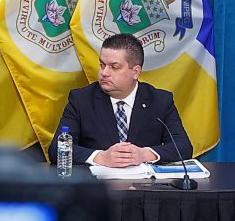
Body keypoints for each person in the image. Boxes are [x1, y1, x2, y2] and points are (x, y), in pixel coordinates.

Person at [48, 33, 192, 167]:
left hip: (144, 189)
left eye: (114, 67)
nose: (104, 73)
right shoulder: (81, 99)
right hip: (97, 188)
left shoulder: (160, 101)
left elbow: (183, 147)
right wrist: (101, 157)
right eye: (102, 65)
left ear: (135, 72)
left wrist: (144, 154)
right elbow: (56, 149)